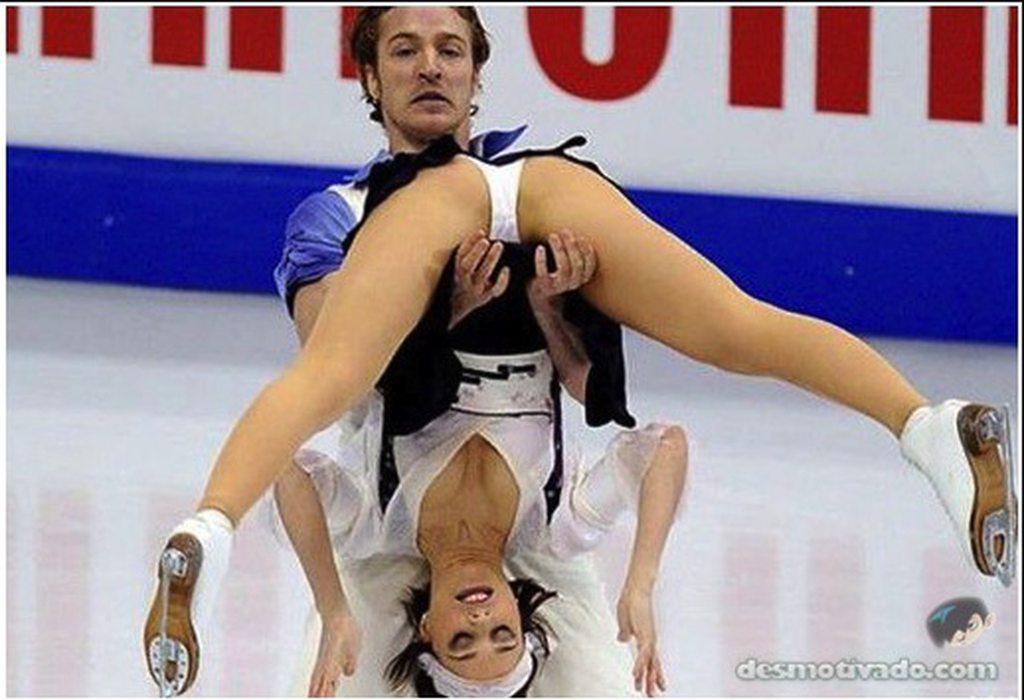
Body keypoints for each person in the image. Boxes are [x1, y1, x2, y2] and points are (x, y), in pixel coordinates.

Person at [143, 4, 1017, 697]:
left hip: (506, 199)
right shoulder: (334, 212)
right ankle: (925, 424)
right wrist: (491, 310)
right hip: (545, 188)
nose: (431, 65)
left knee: (337, 376)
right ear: (371, 79)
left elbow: (337, 366)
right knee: (739, 327)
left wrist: (544, 306)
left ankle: (209, 526)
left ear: (476, 76)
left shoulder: (414, 202)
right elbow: (330, 329)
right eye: (405, 51)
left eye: (450, 49)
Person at [269, 224, 687, 696]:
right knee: (601, 385)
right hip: (531, 269)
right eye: (503, 634)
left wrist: (333, 608)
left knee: (330, 343)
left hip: (411, 272)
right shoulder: (558, 527)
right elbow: (664, 447)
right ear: (522, 619)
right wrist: (640, 583)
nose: (480, 618)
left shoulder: (378, 526)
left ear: (427, 630)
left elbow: (289, 469)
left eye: (462, 642)